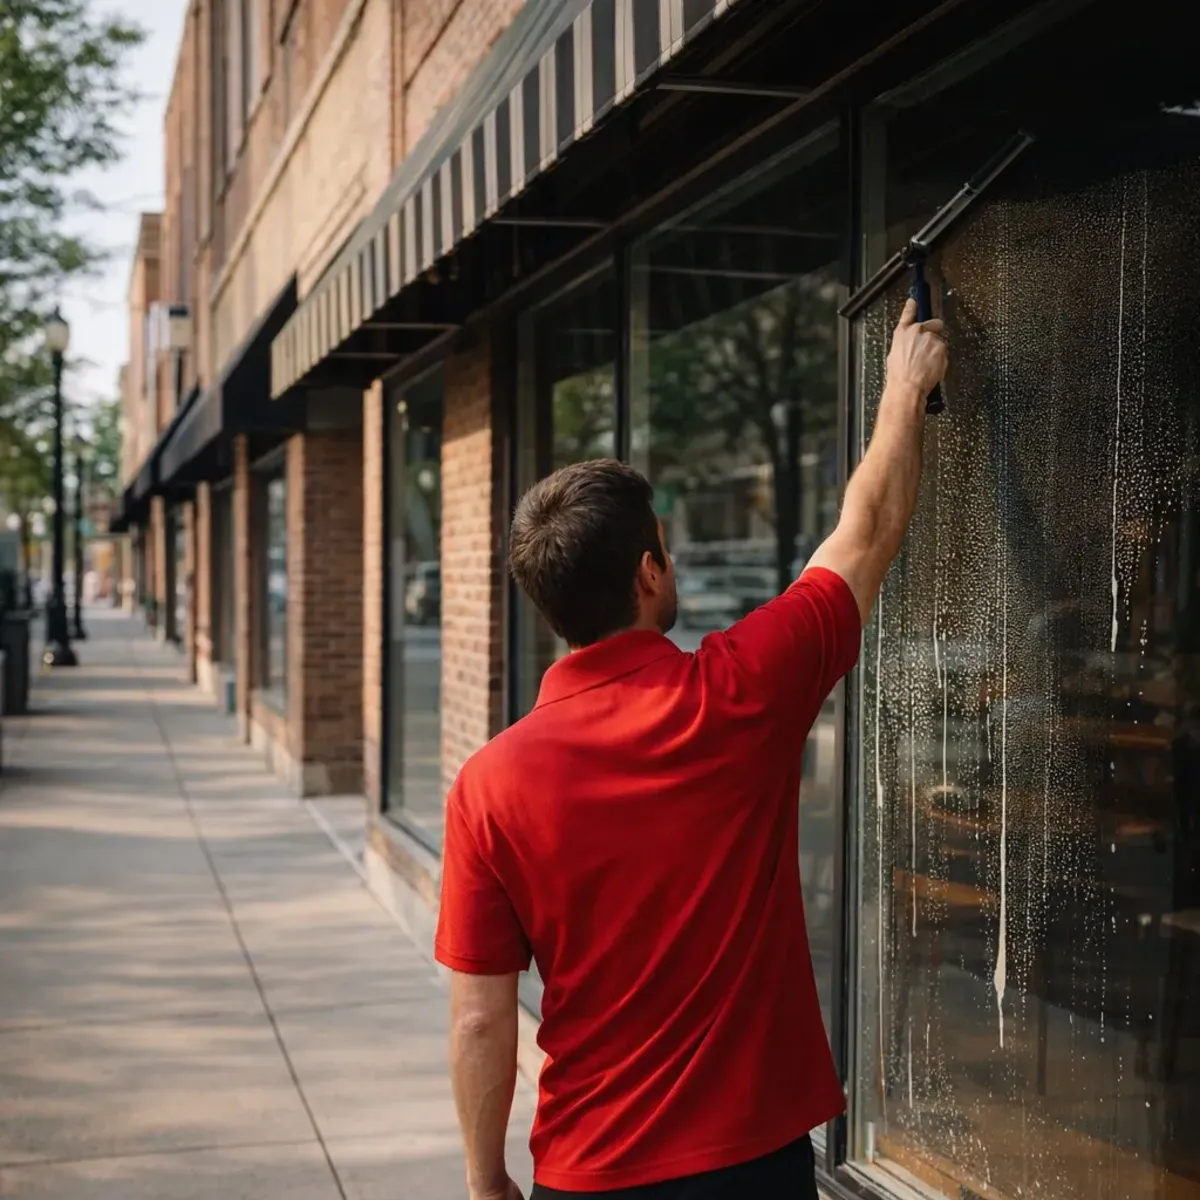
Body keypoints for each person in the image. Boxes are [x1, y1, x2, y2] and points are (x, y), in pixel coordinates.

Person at [434, 299, 949, 1200]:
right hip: (750, 1164)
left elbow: (481, 1020)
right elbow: (864, 535)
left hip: (587, 1169)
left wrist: (486, 1183)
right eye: (662, 550)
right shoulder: (738, 692)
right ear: (647, 572)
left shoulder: (489, 784)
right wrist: (904, 388)